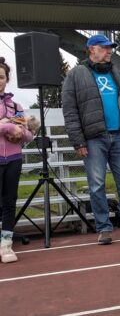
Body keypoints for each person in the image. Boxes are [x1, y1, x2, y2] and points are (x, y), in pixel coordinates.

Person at [62, 34, 120, 245]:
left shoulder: (116, 72)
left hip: (119, 136)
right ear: (92, 49)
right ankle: (104, 228)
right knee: (96, 185)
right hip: (94, 139)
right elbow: (70, 111)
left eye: (110, 48)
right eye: (105, 48)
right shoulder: (76, 74)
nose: (110, 51)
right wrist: (78, 142)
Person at [0, 57, 34, 263]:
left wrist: (20, 132)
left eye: (2, 77)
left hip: (13, 159)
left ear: (7, 79)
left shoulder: (16, 105)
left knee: (9, 202)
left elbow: (29, 135)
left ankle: (6, 245)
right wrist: (6, 126)